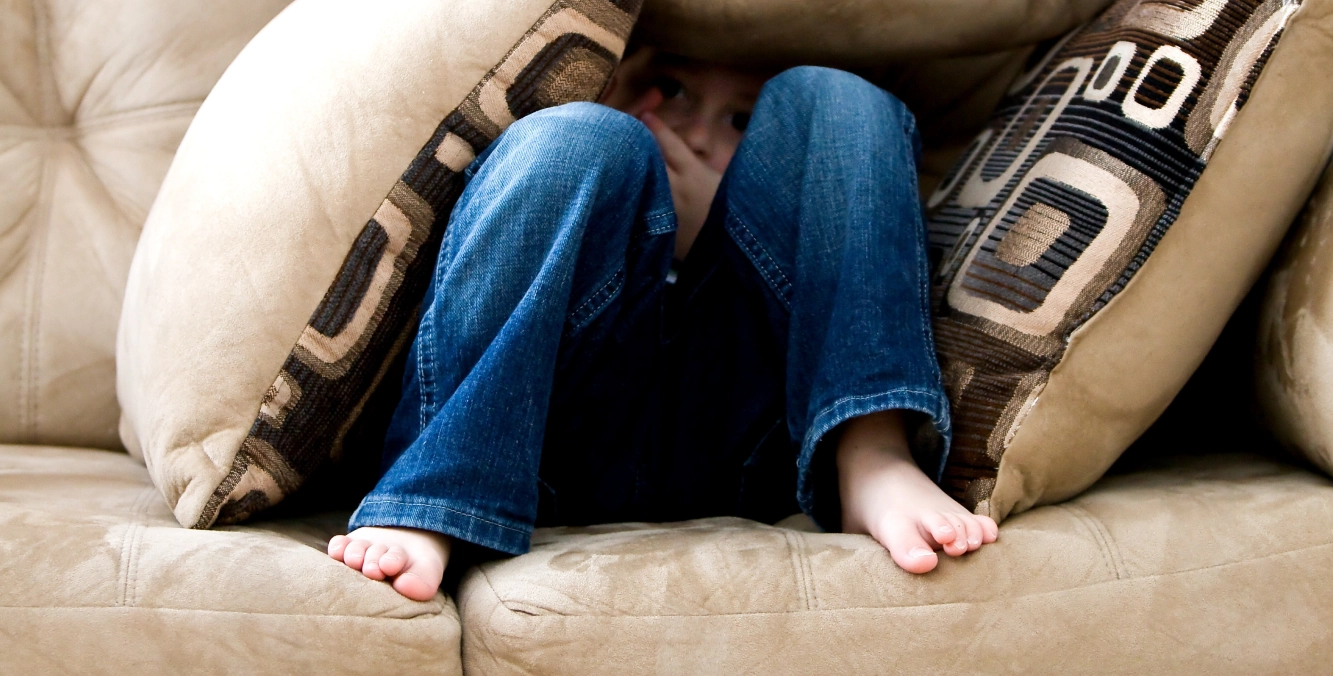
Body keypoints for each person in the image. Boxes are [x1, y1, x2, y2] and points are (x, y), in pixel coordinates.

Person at [327, 48, 997, 601]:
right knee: (574, 140)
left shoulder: (787, 184)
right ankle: (439, 495)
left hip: (750, 442)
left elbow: (816, 217)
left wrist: (717, 225)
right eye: (671, 91)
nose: (699, 133)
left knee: (836, 96)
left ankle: (869, 448)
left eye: (742, 119)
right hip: (549, 442)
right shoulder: (611, 152)